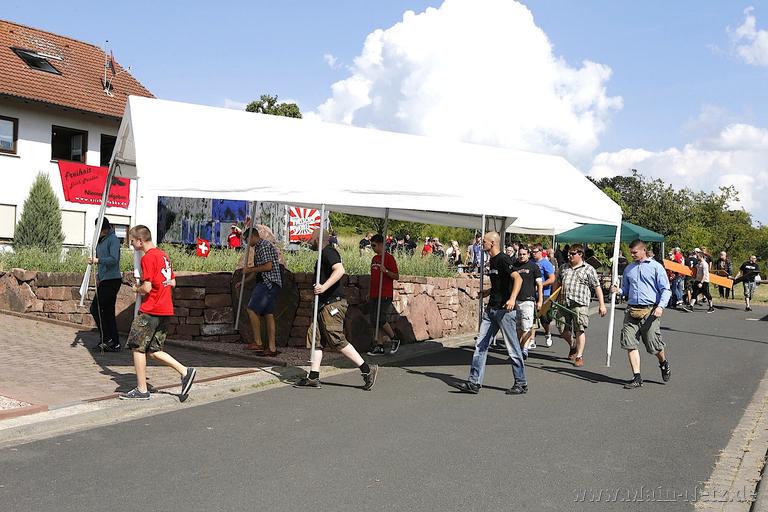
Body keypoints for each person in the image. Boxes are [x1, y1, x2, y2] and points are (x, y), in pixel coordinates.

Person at [294, 229, 378, 390]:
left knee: (336, 338)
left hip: (332, 304)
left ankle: (367, 370)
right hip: (324, 304)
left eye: (311, 238)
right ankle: (313, 376)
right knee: (315, 339)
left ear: (318, 239)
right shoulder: (324, 254)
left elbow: (340, 270)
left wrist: (323, 287)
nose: (309, 241)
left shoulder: (329, 251)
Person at [120, 225, 196, 401]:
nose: (131, 245)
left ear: (140, 241)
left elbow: (146, 288)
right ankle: (186, 371)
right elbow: (173, 282)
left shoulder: (147, 259)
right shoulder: (164, 256)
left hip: (151, 309)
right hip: (165, 308)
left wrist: (136, 288)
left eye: (132, 242)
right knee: (154, 350)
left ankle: (142, 390)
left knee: (137, 348)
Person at [456, 231, 528, 395]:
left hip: (505, 311)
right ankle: (474, 382)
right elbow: (499, 284)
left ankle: (521, 383)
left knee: (512, 348)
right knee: (480, 345)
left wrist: (512, 299)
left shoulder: (503, 259)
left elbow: (518, 279)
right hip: (491, 310)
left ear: (493, 243)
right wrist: (487, 292)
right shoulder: (492, 261)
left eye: (485, 241)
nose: (482, 244)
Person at [611, 239, 672, 389]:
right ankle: (637, 377)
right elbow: (625, 289)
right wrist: (617, 291)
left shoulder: (656, 267)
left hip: (650, 311)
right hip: (632, 310)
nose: (632, 255)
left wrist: (661, 307)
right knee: (629, 343)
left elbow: (666, 289)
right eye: (631, 253)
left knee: (654, 345)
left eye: (635, 252)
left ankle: (663, 362)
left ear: (643, 250)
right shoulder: (629, 269)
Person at [553, 244, 607, 367]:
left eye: (572, 254)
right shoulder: (563, 267)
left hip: (580, 303)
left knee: (579, 329)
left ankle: (579, 356)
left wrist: (602, 305)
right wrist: (552, 299)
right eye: (569, 253)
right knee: (561, 329)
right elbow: (557, 283)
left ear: (580, 254)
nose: (569, 256)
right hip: (564, 303)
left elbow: (597, 287)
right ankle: (573, 345)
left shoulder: (588, 269)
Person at [238, 227, 282, 356]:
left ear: (252, 236)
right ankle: (272, 348)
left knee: (251, 309)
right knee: (268, 314)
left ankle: (258, 342)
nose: (246, 244)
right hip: (271, 283)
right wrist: (244, 281)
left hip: (267, 283)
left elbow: (268, 267)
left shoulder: (263, 246)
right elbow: (259, 269)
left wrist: (249, 270)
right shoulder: (259, 247)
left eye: (246, 240)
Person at [88, 217, 122, 352]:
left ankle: (107, 338)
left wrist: (97, 260)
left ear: (104, 228)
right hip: (104, 279)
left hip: (112, 279)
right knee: (107, 312)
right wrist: (98, 276)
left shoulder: (113, 240)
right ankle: (114, 342)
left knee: (95, 308)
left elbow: (114, 259)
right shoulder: (100, 241)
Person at [366, 234, 401, 356]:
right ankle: (379, 345)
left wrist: (385, 271)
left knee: (380, 318)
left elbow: (396, 276)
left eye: (374, 245)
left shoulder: (389, 258)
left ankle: (394, 338)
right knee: (374, 320)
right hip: (374, 293)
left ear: (381, 244)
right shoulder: (375, 259)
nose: (373, 247)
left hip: (384, 293)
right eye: (371, 245)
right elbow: (373, 277)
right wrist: (369, 292)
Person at [512, 246, 542, 358]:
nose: (521, 256)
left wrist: (540, 300)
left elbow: (539, 284)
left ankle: (524, 349)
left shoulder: (534, 267)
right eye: (520, 254)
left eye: (524, 254)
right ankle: (521, 347)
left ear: (528, 255)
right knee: (518, 327)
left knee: (527, 326)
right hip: (516, 300)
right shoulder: (514, 266)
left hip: (528, 300)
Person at [532, 243, 556, 347]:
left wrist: (540, 285)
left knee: (544, 318)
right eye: (532, 252)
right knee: (532, 316)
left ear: (541, 252)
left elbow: (552, 279)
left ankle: (547, 333)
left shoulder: (546, 263)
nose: (533, 254)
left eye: (535, 252)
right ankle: (531, 340)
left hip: (544, 293)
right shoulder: (530, 262)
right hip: (532, 294)